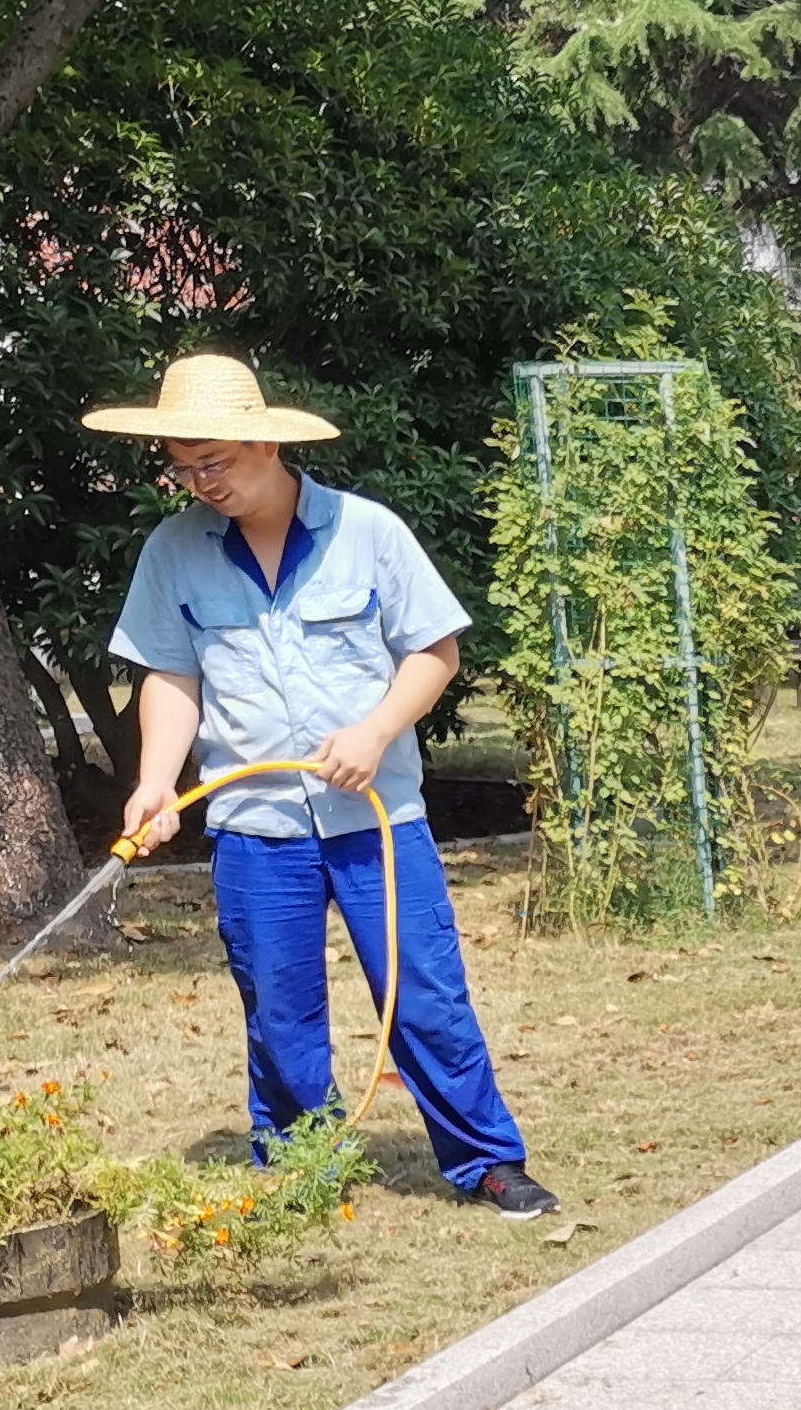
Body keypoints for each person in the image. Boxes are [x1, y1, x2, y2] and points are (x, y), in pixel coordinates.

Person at [90, 354, 562, 1220]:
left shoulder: (368, 532)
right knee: (277, 1004)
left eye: (214, 463)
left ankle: (488, 1163)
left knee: (423, 993)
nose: (198, 483)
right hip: (253, 822)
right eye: (182, 467)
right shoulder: (173, 551)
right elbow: (170, 676)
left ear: (265, 445)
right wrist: (157, 781)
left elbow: (436, 652)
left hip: (377, 820)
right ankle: (303, 1163)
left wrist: (377, 731)